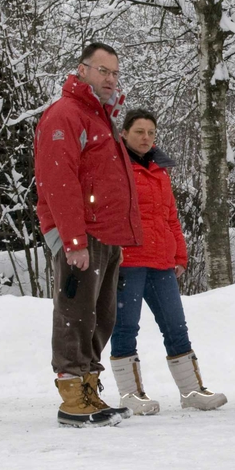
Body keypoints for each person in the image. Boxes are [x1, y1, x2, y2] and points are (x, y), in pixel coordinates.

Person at [34, 42, 142, 428]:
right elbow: (58, 181)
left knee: (101, 317)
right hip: (81, 235)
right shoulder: (65, 115)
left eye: (115, 72)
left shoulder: (99, 117)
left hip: (105, 236)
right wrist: (74, 240)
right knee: (75, 315)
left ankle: (89, 390)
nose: (111, 79)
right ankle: (72, 397)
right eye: (103, 71)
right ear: (81, 70)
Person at [108, 109, 227, 414]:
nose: (145, 137)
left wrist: (179, 254)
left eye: (150, 132)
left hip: (161, 261)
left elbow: (170, 216)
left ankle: (191, 391)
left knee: (176, 326)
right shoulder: (115, 166)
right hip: (129, 259)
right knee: (126, 327)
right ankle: (130, 394)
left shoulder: (160, 170)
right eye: (139, 132)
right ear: (124, 133)